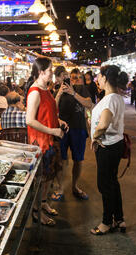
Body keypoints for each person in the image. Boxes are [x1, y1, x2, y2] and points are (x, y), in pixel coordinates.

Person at [25, 57, 67, 226]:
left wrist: (59, 121)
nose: (52, 73)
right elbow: (30, 120)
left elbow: (48, 113)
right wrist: (52, 130)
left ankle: (43, 204)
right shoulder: (35, 91)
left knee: (49, 177)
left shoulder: (46, 89)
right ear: (41, 72)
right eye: (49, 70)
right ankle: (36, 212)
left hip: (50, 140)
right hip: (40, 143)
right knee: (41, 179)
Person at [90, 65, 128, 235]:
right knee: (113, 182)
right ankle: (119, 219)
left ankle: (106, 222)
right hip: (116, 144)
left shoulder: (111, 98)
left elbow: (104, 123)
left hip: (107, 147)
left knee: (104, 185)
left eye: (98, 76)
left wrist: (95, 137)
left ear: (105, 78)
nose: (97, 79)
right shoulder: (116, 97)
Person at [52, 67, 93, 202]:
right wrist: (59, 92)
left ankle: (75, 186)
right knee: (61, 160)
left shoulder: (81, 89)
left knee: (78, 160)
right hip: (62, 130)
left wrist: (73, 93)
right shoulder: (57, 90)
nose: (72, 79)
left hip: (79, 129)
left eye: (77, 77)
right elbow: (52, 108)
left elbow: (89, 104)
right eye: (66, 76)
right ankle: (60, 188)